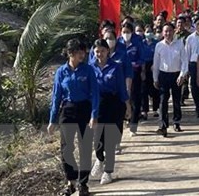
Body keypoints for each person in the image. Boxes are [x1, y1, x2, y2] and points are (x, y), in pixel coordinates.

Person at [48, 39, 100, 196]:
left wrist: (94, 115)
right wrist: (52, 120)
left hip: (84, 109)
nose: (82, 55)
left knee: (85, 148)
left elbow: (95, 93)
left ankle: (83, 184)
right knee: (66, 148)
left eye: (83, 52)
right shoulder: (61, 72)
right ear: (70, 53)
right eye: (79, 52)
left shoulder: (88, 70)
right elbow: (56, 96)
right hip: (68, 110)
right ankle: (71, 182)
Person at [89, 39, 132, 185]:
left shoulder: (116, 67)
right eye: (97, 51)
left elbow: (121, 88)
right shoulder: (90, 68)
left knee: (110, 140)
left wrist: (127, 106)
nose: (100, 54)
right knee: (97, 140)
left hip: (114, 105)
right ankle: (100, 159)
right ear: (93, 53)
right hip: (97, 105)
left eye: (102, 51)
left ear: (108, 51)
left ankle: (108, 172)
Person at [153, 23, 189, 136]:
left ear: (174, 31)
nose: (167, 33)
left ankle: (176, 121)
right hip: (163, 75)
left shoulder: (180, 44)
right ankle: (163, 125)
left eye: (170, 31)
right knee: (163, 101)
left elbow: (184, 61)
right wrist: (155, 78)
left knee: (176, 99)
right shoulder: (159, 45)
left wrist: (182, 75)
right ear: (162, 33)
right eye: (165, 31)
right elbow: (156, 63)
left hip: (176, 75)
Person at [119, 22, 144, 136]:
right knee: (122, 100)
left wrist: (138, 65)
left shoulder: (137, 42)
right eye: (124, 32)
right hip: (120, 76)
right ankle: (125, 118)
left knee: (135, 100)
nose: (125, 34)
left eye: (128, 32)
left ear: (132, 32)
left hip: (135, 75)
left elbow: (142, 57)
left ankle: (133, 124)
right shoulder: (118, 43)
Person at [186, 16, 199, 121]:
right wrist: (187, 69)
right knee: (194, 88)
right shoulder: (190, 38)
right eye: (197, 24)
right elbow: (187, 54)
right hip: (193, 65)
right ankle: (198, 106)